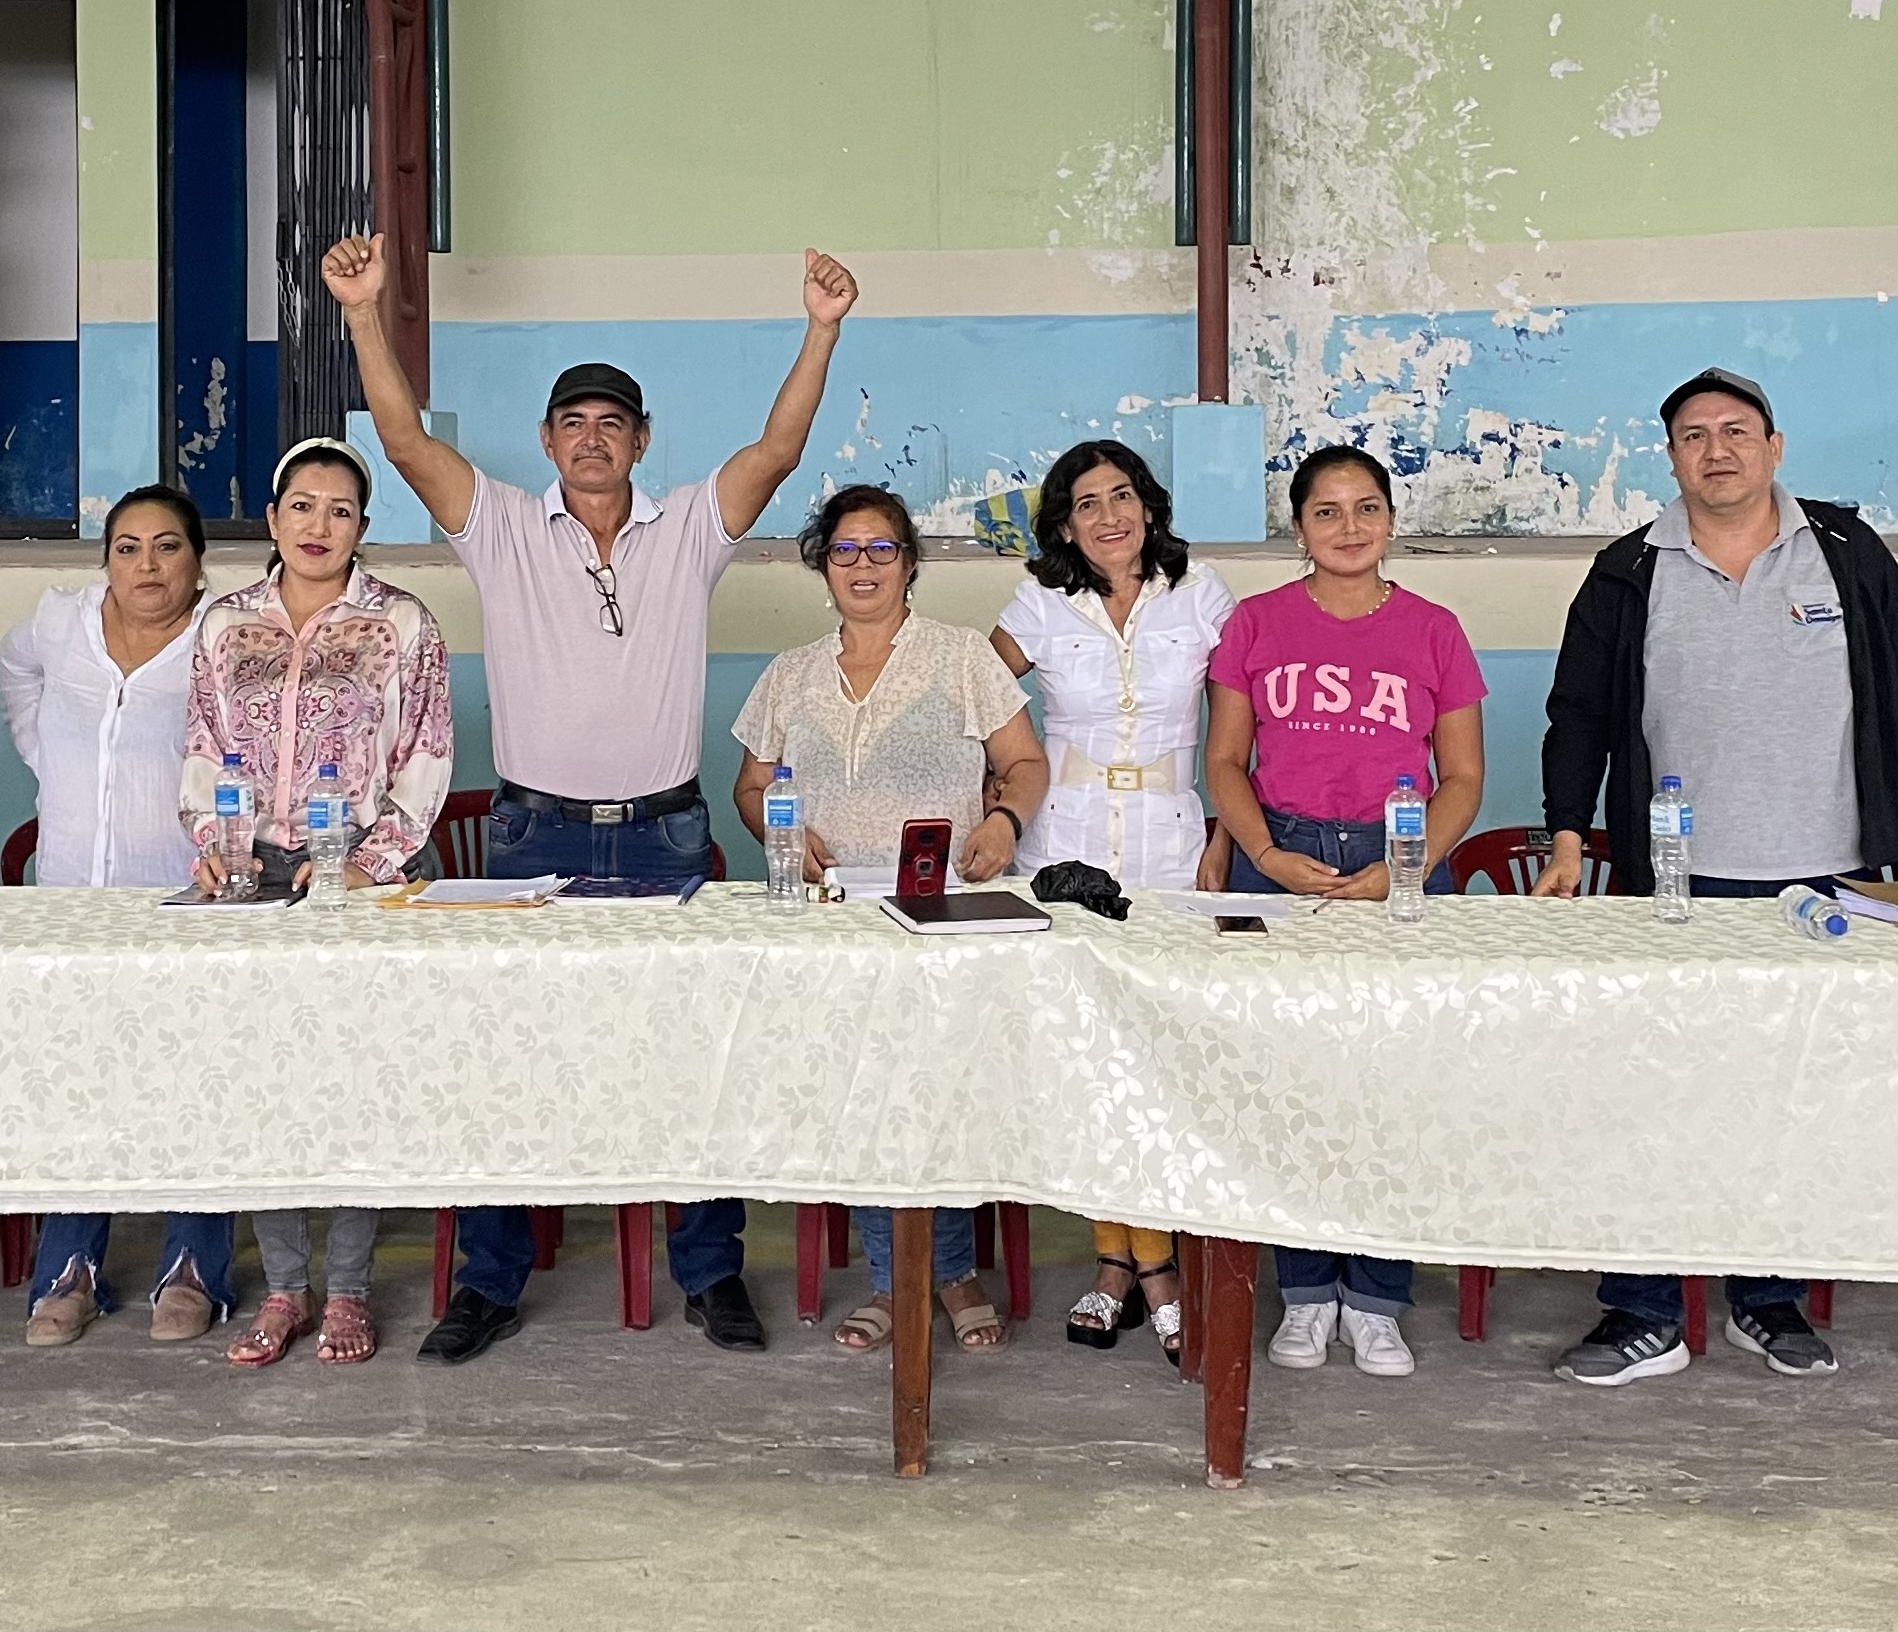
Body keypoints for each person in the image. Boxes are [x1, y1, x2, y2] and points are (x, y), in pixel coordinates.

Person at [326, 229, 857, 1364]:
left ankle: (711, 1275)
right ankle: (488, 1284)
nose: (592, 438)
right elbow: (406, 443)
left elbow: (776, 449)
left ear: (641, 441)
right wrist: (365, 313)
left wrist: (820, 330)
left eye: (613, 422)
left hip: (665, 835)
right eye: (573, 422)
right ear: (547, 441)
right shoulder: (503, 526)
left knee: (689, 1057)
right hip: (534, 839)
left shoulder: (690, 530)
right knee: (510, 1061)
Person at [1536, 368, 1898, 1387]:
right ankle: (1642, 1308)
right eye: (1694, 435)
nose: (1716, 450)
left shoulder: (1846, 554)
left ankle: (1767, 1301)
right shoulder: (1629, 569)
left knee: (1795, 1097)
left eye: (1736, 431)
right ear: (1671, 458)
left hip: (1828, 880)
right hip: (1677, 886)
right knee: (1655, 1098)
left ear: (1775, 447)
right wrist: (1567, 836)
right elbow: (1577, 714)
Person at [737, 486, 1046, 1357]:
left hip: (941, 916)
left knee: (939, 1089)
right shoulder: (791, 672)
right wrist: (782, 836)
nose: (863, 565)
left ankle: (945, 1271)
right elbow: (752, 787)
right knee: (861, 1090)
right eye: (845, 550)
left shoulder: (961, 658)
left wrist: (1003, 823)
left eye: (882, 549)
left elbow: (1024, 762)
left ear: (910, 563)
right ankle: (897, 1277)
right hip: (836, 922)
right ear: (823, 566)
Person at [1199, 444, 1484, 1382]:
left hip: (1397, 855)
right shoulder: (1255, 623)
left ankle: (1377, 1300)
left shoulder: (1435, 630)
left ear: (1391, 521)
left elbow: (1463, 777)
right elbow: (1225, 762)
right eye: (1327, 511)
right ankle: (1306, 1289)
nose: (1349, 527)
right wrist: (1265, 854)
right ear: (1299, 527)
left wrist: (1409, 867)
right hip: (1280, 853)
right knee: (1288, 1080)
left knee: (1391, 1085)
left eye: (1367, 508)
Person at [176, 438, 455, 1369]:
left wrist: (371, 863)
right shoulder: (225, 624)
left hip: (357, 874)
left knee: (354, 1076)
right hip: (251, 873)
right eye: (302, 505)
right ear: (272, 517)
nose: (318, 526)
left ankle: (348, 1290)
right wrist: (216, 847)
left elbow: (426, 756)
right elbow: (203, 745)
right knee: (262, 1078)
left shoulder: (403, 623)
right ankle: (284, 1287)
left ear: (363, 527)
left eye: (340, 510)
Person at [992, 440, 1232, 1355]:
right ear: (1063, 526)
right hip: (1067, 846)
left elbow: (1239, 724)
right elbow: (976, 697)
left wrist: (1226, 832)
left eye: (1121, 496)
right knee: (1091, 1059)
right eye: (1085, 504)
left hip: (1173, 844)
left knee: (1161, 1056)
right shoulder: (1038, 602)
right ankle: (1122, 1259)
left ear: (1149, 506)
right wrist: (994, 797)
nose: (1108, 517)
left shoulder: (1201, 594)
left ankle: (1150, 1257)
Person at [0, 483, 233, 1348]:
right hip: (70, 901)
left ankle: (194, 1269)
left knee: (192, 1081)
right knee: (76, 1083)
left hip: (181, 900)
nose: (147, 565)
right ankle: (69, 1272)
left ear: (198, 563)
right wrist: (47, 756)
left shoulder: (223, 637)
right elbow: (14, 668)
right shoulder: (61, 623)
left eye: (168, 547)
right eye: (127, 548)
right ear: (106, 561)